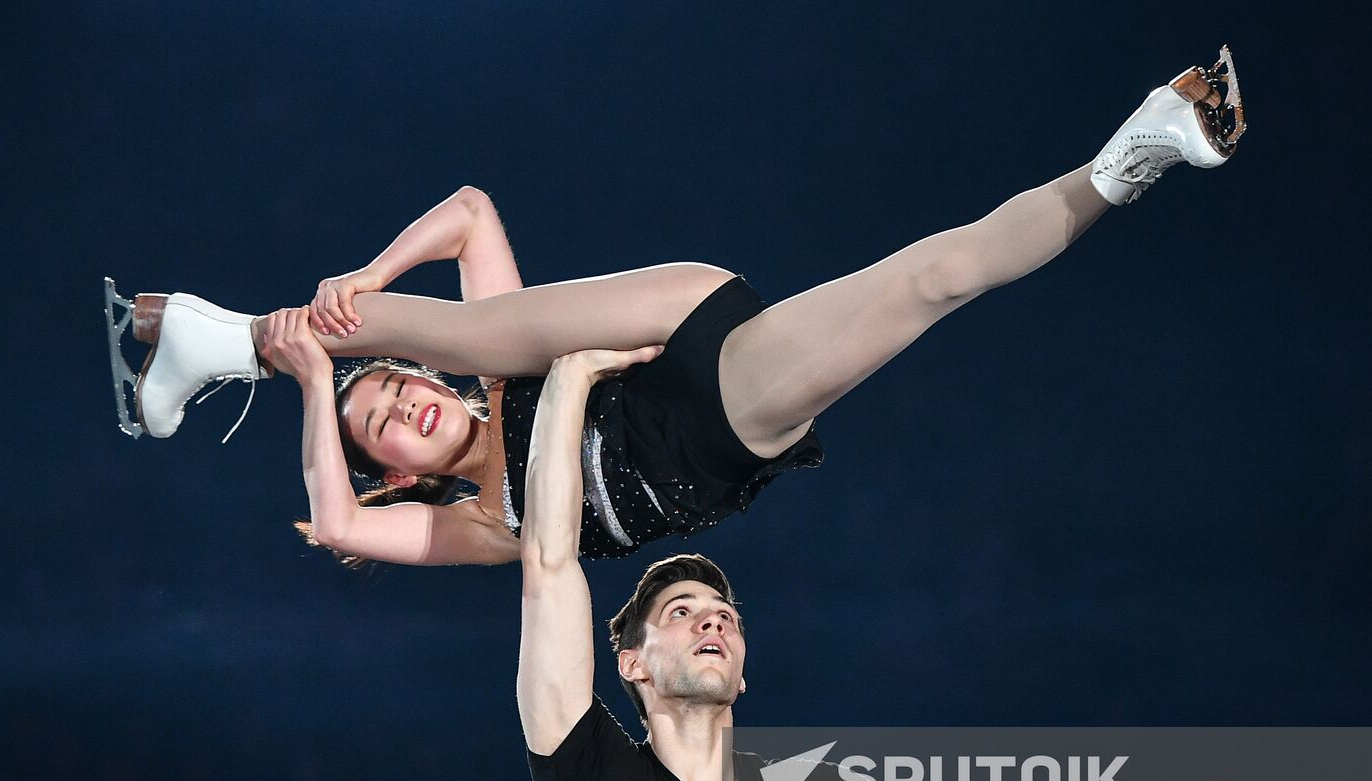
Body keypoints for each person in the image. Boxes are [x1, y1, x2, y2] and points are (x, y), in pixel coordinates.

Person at [121, 51, 1246, 566]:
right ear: (397, 467)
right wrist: (321, 384)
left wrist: (365, 282)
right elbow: (341, 524)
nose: (403, 406)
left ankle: (209, 342)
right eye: (378, 427)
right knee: (929, 280)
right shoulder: (468, 524)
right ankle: (1137, 150)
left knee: (447, 327)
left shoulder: (480, 369)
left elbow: (468, 211)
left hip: (659, 325)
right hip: (703, 426)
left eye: (395, 392)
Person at [515, 346, 1270, 781]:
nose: (714, 619)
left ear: (743, 673)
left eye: (727, 614)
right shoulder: (584, 767)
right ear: (632, 664)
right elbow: (550, 563)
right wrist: (573, 373)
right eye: (682, 611)